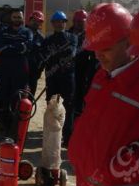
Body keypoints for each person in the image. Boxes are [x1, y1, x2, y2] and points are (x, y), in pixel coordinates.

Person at [68, 3, 139, 186]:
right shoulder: (101, 77)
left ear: (128, 42)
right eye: (95, 48)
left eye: (106, 48)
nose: (99, 55)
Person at [0, 9, 33, 133]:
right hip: (3, 70)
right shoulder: (3, 31)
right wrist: (17, 47)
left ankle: (11, 127)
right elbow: (1, 47)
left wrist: (10, 46)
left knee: (17, 99)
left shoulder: (28, 32)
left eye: (19, 17)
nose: (17, 19)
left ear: (23, 19)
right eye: (14, 17)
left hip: (20, 72)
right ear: (10, 18)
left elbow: (27, 47)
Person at [42, 11, 77, 145]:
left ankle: (68, 138)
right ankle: (53, 137)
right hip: (52, 78)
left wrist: (55, 54)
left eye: (61, 21)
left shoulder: (72, 38)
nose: (59, 24)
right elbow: (45, 57)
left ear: (65, 23)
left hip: (67, 79)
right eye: (56, 22)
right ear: (52, 24)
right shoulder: (48, 40)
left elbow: (71, 53)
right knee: (52, 108)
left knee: (68, 107)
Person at [69, 9, 98, 120]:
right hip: (68, 73)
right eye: (77, 21)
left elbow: (94, 58)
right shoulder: (67, 34)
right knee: (68, 99)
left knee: (80, 100)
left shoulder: (90, 37)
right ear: (73, 21)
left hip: (83, 74)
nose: (79, 24)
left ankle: (77, 121)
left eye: (81, 22)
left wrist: (90, 74)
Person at [27, 10, 45, 95]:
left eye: (39, 21)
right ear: (29, 20)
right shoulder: (21, 33)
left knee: (30, 98)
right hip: (19, 72)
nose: (36, 23)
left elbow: (43, 57)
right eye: (34, 20)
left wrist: (39, 71)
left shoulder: (41, 39)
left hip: (33, 74)